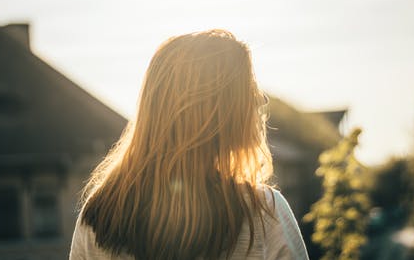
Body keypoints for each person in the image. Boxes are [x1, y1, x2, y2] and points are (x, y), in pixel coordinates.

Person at [69, 29, 309, 260]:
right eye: (247, 88)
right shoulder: (264, 213)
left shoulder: (100, 215)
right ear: (215, 111)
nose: (261, 98)